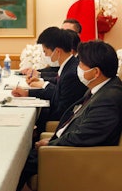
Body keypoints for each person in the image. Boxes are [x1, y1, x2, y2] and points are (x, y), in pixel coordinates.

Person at [16, 40, 122, 191]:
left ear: (96, 72)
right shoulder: (101, 87)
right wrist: (53, 139)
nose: (77, 68)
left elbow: (84, 137)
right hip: (63, 146)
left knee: (17, 164)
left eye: (81, 64)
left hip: (77, 159)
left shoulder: (108, 100)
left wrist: (51, 144)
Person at [12, 27, 87, 134]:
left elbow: (61, 108)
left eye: (45, 52)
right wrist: (27, 92)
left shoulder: (71, 72)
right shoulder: (68, 66)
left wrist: (37, 127)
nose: (45, 55)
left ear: (57, 51)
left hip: (59, 124)